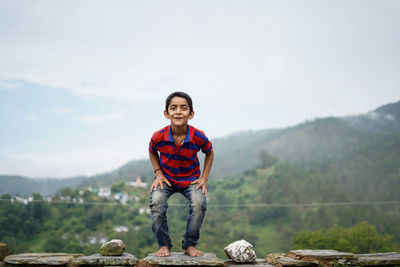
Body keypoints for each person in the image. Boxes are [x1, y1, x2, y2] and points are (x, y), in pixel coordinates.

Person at [148, 91, 214, 257]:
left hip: (192, 180)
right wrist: (158, 173)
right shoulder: (159, 136)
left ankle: (189, 245)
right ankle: (163, 245)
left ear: (191, 114)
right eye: (173, 108)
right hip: (166, 180)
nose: (178, 111)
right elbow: (152, 151)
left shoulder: (198, 136)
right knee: (157, 203)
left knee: (199, 203)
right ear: (166, 113)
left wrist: (204, 178)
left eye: (183, 108)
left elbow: (210, 153)